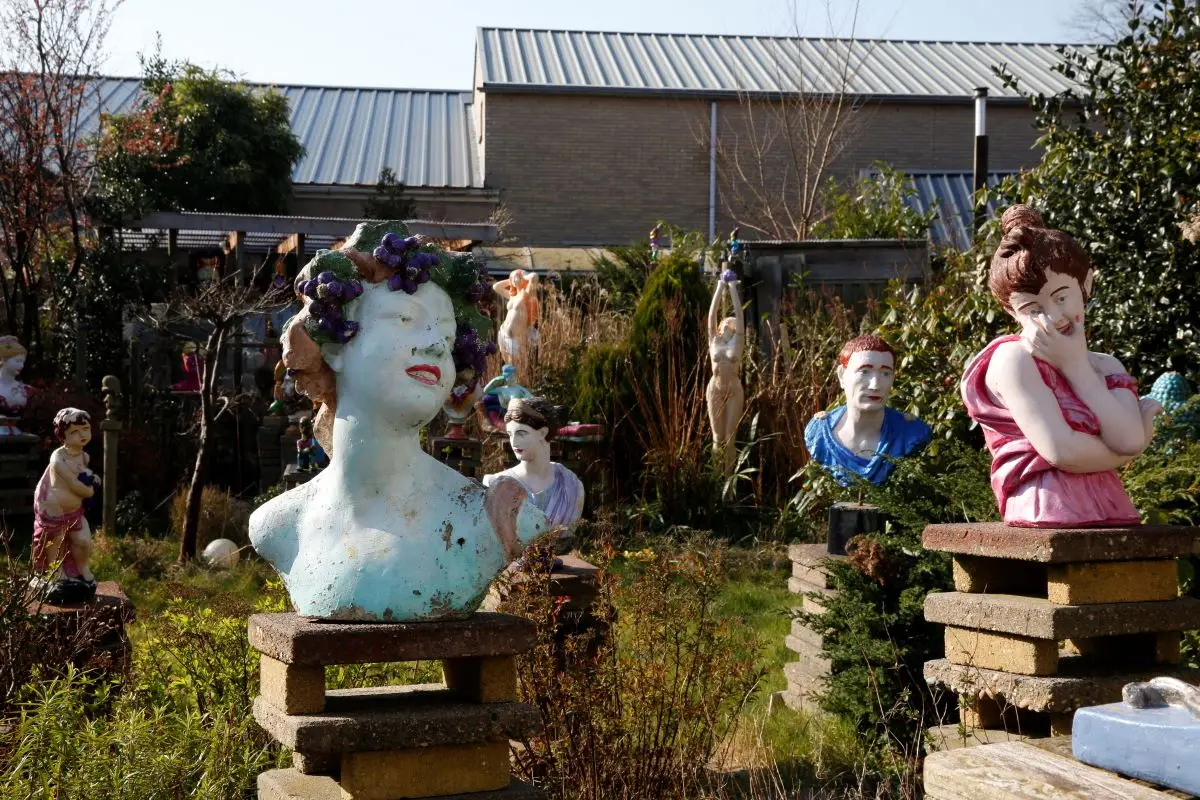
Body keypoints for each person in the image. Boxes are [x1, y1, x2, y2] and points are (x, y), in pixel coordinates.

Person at [249, 221, 549, 621]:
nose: (433, 344)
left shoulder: (488, 518)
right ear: (335, 346)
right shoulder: (279, 526)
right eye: (404, 319)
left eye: (445, 338)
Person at [961, 205, 1161, 527]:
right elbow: (1062, 451)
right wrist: (1128, 453)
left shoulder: (1108, 367)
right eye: (1032, 308)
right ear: (1011, 313)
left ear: (1086, 285)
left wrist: (1077, 367)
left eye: (1062, 297)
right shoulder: (1015, 360)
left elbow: (1126, 438)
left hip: (1110, 503)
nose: (1053, 317)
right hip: (1046, 502)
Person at [805, 335, 931, 486]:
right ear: (842, 375)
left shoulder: (912, 433)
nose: (875, 385)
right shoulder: (820, 433)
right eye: (864, 372)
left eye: (885, 373)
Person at [483, 397, 584, 553]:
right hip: (509, 574)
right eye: (510, 434)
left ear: (543, 433)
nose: (514, 441)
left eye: (521, 433)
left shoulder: (571, 486)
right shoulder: (494, 483)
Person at [32, 408, 99, 603]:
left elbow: (82, 475)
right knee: (57, 543)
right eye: (74, 432)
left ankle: (81, 568)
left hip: (74, 511)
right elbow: (73, 483)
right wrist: (89, 490)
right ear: (63, 436)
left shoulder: (83, 456)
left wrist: (92, 479)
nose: (82, 435)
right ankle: (56, 573)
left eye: (85, 429)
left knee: (83, 540)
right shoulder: (57, 458)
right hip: (54, 510)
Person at [707, 270, 745, 477]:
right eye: (727, 323)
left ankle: (730, 485)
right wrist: (720, 286)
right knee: (717, 437)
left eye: (733, 324)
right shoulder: (714, 341)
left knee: (730, 439)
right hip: (715, 389)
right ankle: (715, 482)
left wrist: (732, 289)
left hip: (732, 390)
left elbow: (740, 315)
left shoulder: (737, 343)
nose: (730, 325)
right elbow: (711, 316)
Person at [493, 268, 540, 362]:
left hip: (518, 336)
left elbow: (534, 277)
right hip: (504, 332)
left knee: (518, 366)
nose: (514, 280)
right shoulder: (512, 296)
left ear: (522, 278)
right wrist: (511, 278)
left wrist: (522, 274)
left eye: (516, 277)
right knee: (508, 366)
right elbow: (496, 287)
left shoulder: (527, 294)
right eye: (512, 278)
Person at [0, 336, 30, 435]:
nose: (21, 366)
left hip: (17, 434)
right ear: (3, 360)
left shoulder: (24, 389)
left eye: (23, 362)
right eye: (18, 361)